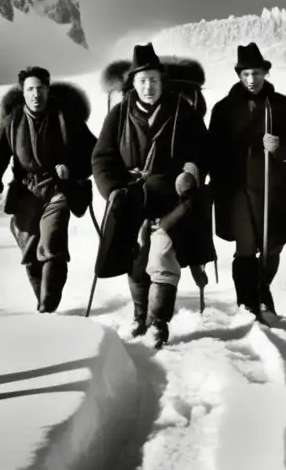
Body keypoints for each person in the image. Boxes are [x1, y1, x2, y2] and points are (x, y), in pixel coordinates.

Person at [91, 43, 213, 348]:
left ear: (163, 81)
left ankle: (158, 323)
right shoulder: (119, 116)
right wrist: (113, 189)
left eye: (154, 80)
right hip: (132, 199)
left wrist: (191, 171)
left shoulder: (183, 113)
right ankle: (140, 315)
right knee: (136, 261)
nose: (149, 87)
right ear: (133, 83)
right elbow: (102, 159)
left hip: (172, 200)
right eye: (142, 81)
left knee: (161, 254)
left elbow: (203, 151)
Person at [207, 42, 286, 322]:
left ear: (265, 73)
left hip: (273, 188)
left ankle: (262, 287)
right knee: (245, 246)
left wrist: (280, 146)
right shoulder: (223, 109)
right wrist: (213, 186)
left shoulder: (282, 105)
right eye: (246, 75)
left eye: (256, 73)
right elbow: (211, 150)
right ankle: (249, 303)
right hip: (236, 189)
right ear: (239, 76)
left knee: (272, 245)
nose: (251, 80)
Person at [0, 66, 96, 313]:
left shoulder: (67, 118)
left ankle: (47, 307)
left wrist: (73, 170)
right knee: (31, 253)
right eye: (30, 89)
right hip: (25, 193)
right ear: (23, 93)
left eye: (41, 88)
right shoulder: (12, 121)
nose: (36, 94)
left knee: (52, 245)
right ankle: (43, 306)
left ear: (48, 90)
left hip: (59, 189)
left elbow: (94, 153)